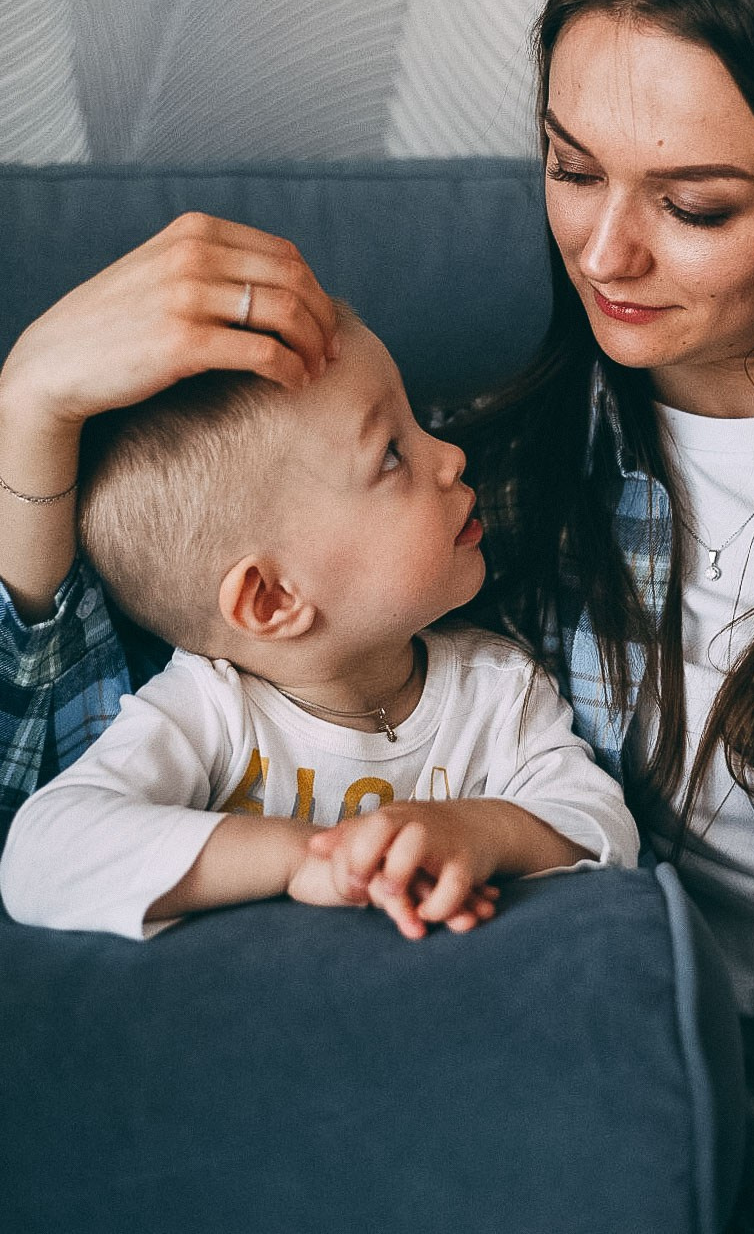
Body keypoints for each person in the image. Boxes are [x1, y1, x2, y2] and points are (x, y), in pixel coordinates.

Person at [0, 0, 754, 1230]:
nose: (601, 250)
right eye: (567, 166)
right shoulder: (469, 505)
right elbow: (56, 781)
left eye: (693, 204)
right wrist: (30, 411)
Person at [0, 299, 638, 940]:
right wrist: (307, 857)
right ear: (272, 600)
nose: (451, 457)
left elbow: (605, 826)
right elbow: (39, 855)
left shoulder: (500, 688)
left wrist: (481, 830)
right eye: (391, 454)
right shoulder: (210, 711)